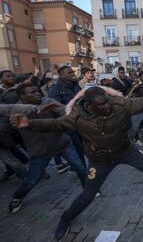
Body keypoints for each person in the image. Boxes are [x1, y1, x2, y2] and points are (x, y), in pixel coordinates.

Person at [10, 86, 143, 240]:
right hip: (100, 160)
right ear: (89, 105)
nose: (107, 106)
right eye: (101, 105)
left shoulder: (121, 104)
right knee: (87, 196)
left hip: (126, 151)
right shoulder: (76, 116)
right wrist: (29, 123)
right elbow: (55, 124)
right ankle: (65, 218)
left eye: (107, 101)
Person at [0, 83, 87, 213]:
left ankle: (89, 189)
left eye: (37, 91)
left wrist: (64, 110)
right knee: (32, 179)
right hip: (40, 151)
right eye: (32, 93)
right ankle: (18, 196)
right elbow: (5, 128)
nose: (37, 94)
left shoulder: (48, 101)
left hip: (62, 144)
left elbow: (64, 112)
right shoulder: (15, 110)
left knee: (79, 166)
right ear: (22, 96)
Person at [48, 65, 85, 167]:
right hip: (69, 125)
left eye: (73, 72)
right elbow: (57, 109)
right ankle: (82, 170)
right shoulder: (55, 89)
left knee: (84, 146)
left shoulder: (75, 85)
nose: (73, 74)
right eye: (69, 72)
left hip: (81, 121)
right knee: (78, 149)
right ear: (61, 75)